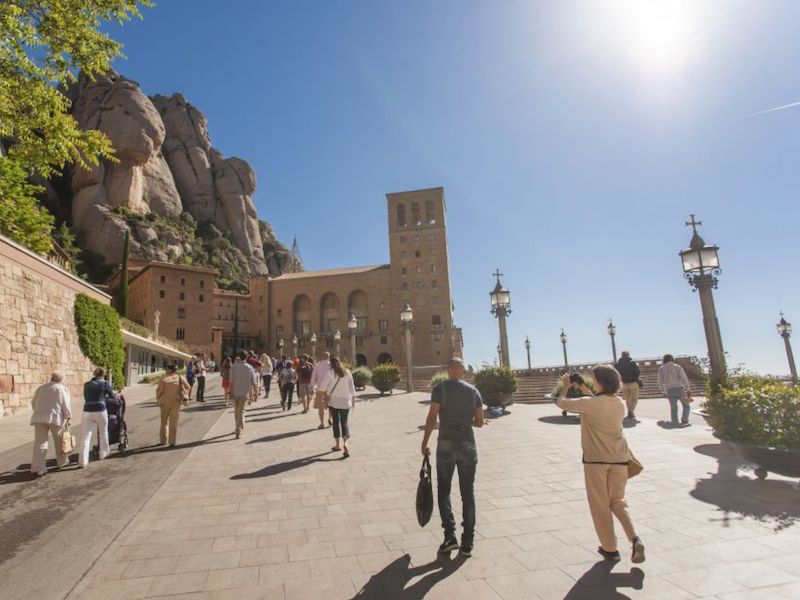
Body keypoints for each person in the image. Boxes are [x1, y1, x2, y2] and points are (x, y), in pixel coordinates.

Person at [556, 365, 645, 564]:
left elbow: (562, 403)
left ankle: (610, 548)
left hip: (596, 460)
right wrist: (583, 387)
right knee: (618, 501)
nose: (592, 381)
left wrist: (566, 386)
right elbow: (597, 401)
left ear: (600, 382)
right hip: (620, 458)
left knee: (600, 505)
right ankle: (635, 538)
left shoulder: (590, 404)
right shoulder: (619, 403)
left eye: (594, 378)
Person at [420, 357, 484, 557]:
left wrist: (424, 442)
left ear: (448, 371)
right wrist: (465, 422)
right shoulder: (474, 392)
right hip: (467, 443)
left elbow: (432, 418)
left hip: (445, 443)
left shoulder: (440, 389)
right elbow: (480, 422)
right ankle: (468, 542)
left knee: (444, 490)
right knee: (468, 492)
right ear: (463, 372)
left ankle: (450, 536)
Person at [30, 372, 73, 477]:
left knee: (40, 442)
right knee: (59, 440)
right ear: (61, 380)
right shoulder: (61, 388)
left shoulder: (41, 388)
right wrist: (68, 416)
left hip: (39, 417)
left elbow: (33, 402)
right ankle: (62, 462)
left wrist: (38, 411)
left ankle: (38, 467)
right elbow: (65, 404)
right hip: (55, 417)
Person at [320, 356, 356, 457]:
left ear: (331, 364)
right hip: (345, 401)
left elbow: (323, 386)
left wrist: (324, 394)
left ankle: (337, 444)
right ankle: (346, 444)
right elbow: (352, 388)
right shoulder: (347, 372)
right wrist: (353, 400)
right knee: (344, 422)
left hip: (333, 402)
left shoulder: (330, 373)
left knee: (336, 422)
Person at [79, 367, 113, 467]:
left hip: (87, 411)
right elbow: (112, 396)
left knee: (85, 437)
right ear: (103, 374)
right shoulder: (105, 383)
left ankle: (83, 461)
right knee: (103, 432)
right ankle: (103, 453)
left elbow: (86, 397)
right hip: (100, 409)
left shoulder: (86, 384)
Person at [155, 364, 190, 447]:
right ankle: (172, 441)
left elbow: (158, 392)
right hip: (176, 402)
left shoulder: (163, 379)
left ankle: (163, 440)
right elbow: (188, 387)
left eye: (166, 368)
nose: (165, 370)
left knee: (164, 422)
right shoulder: (180, 377)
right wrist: (186, 395)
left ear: (170, 370)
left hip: (164, 403)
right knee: (173, 422)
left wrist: (158, 398)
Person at [657, 354, 692, 425]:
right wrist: (688, 388)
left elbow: (660, 381)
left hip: (669, 389)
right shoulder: (677, 367)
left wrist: (663, 391)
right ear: (672, 359)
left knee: (673, 407)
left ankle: (675, 421)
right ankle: (684, 419)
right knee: (686, 405)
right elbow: (683, 378)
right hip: (679, 388)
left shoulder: (661, 368)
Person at [230, 352, 256, 439]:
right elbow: (253, 382)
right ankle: (239, 431)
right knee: (241, 411)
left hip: (235, 391)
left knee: (236, 411)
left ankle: (237, 427)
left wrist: (230, 391)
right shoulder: (249, 367)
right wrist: (255, 393)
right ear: (246, 357)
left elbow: (231, 381)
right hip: (244, 392)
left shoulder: (233, 366)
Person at [615, 351, 641, 420]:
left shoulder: (617, 364)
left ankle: (630, 412)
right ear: (628, 355)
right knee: (634, 399)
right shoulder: (632, 362)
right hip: (633, 383)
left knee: (628, 398)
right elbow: (637, 372)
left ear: (621, 355)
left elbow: (616, 373)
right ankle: (631, 411)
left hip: (623, 383)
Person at [310, 352, 332, 429]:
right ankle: (330, 419)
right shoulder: (331, 365)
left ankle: (322, 423)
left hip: (320, 387)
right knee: (331, 404)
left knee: (320, 406)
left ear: (322, 357)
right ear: (329, 357)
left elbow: (313, 377)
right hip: (330, 387)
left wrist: (312, 386)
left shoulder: (317, 365)